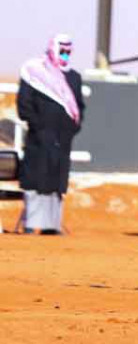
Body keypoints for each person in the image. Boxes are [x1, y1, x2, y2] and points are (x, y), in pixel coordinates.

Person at [17, 34, 85, 234]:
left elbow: (79, 109)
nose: (64, 55)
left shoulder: (74, 78)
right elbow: (24, 105)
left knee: (56, 183)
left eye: (67, 52)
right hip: (39, 139)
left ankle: (51, 226)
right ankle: (31, 224)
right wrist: (40, 127)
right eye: (61, 51)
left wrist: (71, 130)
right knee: (36, 180)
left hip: (62, 141)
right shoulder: (34, 72)